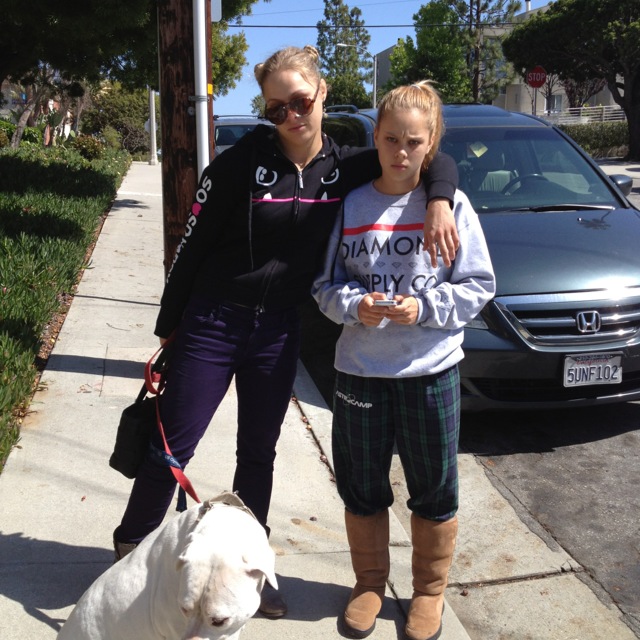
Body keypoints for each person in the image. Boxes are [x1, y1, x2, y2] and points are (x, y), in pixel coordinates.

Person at [112, 47, 460, 618]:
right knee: (172, 448)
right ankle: (131, 545)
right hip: (213, 322)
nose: (291, 117)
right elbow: (190, 249)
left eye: (300, 102)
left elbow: (433, 158)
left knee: (259, 453)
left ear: (321, 93)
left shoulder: (347, 167)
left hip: (277, 330)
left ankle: (251, 573)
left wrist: (441, 200)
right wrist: (169, 331)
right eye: (276, 109)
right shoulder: (237, 164)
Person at [312, 81, 495, 640]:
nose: (400, 152)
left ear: (431, 142)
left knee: (435, 490)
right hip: (360, 372)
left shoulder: (452, 206)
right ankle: (368, 582)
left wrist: (425, 307)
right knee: (361, 486)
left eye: (414, 141)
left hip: (430, 372)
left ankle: (429, 593)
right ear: (376, 135)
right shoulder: (353, 204)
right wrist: (353, 305)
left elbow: (479, 286)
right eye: (390, 139)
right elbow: (324, 286)